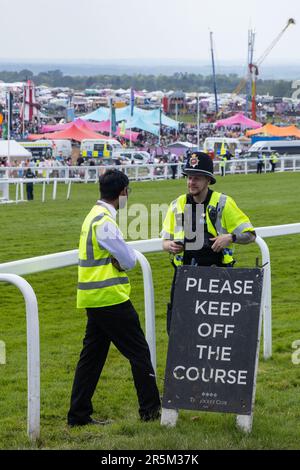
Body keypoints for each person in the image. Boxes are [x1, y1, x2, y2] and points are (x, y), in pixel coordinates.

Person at [67, 169, 161, 427]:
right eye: (128, 192)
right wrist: (120, 260)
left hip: (93, 297)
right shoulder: (106, 221)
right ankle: (151, 411)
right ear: (123, 192)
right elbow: (129, 260)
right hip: (110, 298)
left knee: (92, 358)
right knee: (139, 353)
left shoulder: (93, 215)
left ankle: (78, 414)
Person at [161, 152, 256, 334]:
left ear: (208, 180)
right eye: (189, 178)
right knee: (179, 329)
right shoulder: (177, 204)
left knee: (215, 329)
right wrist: (170, 246)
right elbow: (164, 242)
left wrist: (230, 237)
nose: (191, 182)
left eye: (196, 178)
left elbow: (250, 235)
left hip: (217, 276)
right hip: (184, 276)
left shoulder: (223, 203)